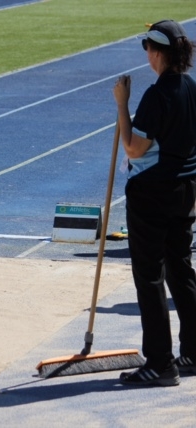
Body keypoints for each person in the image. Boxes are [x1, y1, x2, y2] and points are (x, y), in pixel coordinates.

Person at [114, 19, 196, 387]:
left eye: (147, 47)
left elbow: (134, 148)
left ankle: (161, 362)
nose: (145, 54)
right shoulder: (192, 87)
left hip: (153, 193)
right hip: (185, 189)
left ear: (157, 52)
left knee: (150, 277)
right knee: (180, 268)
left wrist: (122, 105)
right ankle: (193, 350)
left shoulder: (156, 95)